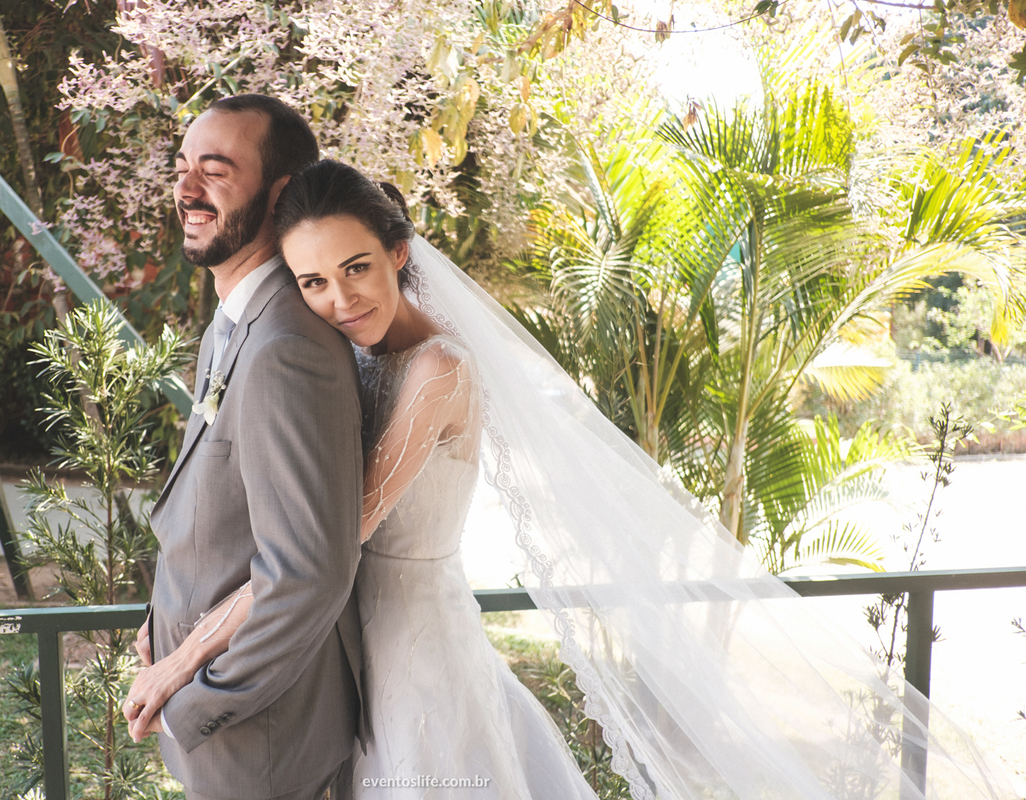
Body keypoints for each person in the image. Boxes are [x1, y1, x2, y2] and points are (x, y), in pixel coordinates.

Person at [129, 154, 1017, 798]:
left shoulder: (439, 372)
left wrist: (183, 662)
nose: (339, 300)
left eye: (357, 268)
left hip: (412, 642)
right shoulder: (351, 354)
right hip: (352, 642)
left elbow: (322, 546)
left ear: (400, 253)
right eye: (313, 282)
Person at [132, 99, 366, 800]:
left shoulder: (288, 348)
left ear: (282, 192)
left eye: (216, 171)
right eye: (182, 169)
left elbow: (306, 574)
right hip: (213, 727)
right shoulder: (234, 323)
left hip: (258, 745)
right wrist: (159, 625)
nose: (186, 190)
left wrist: (196, 703)